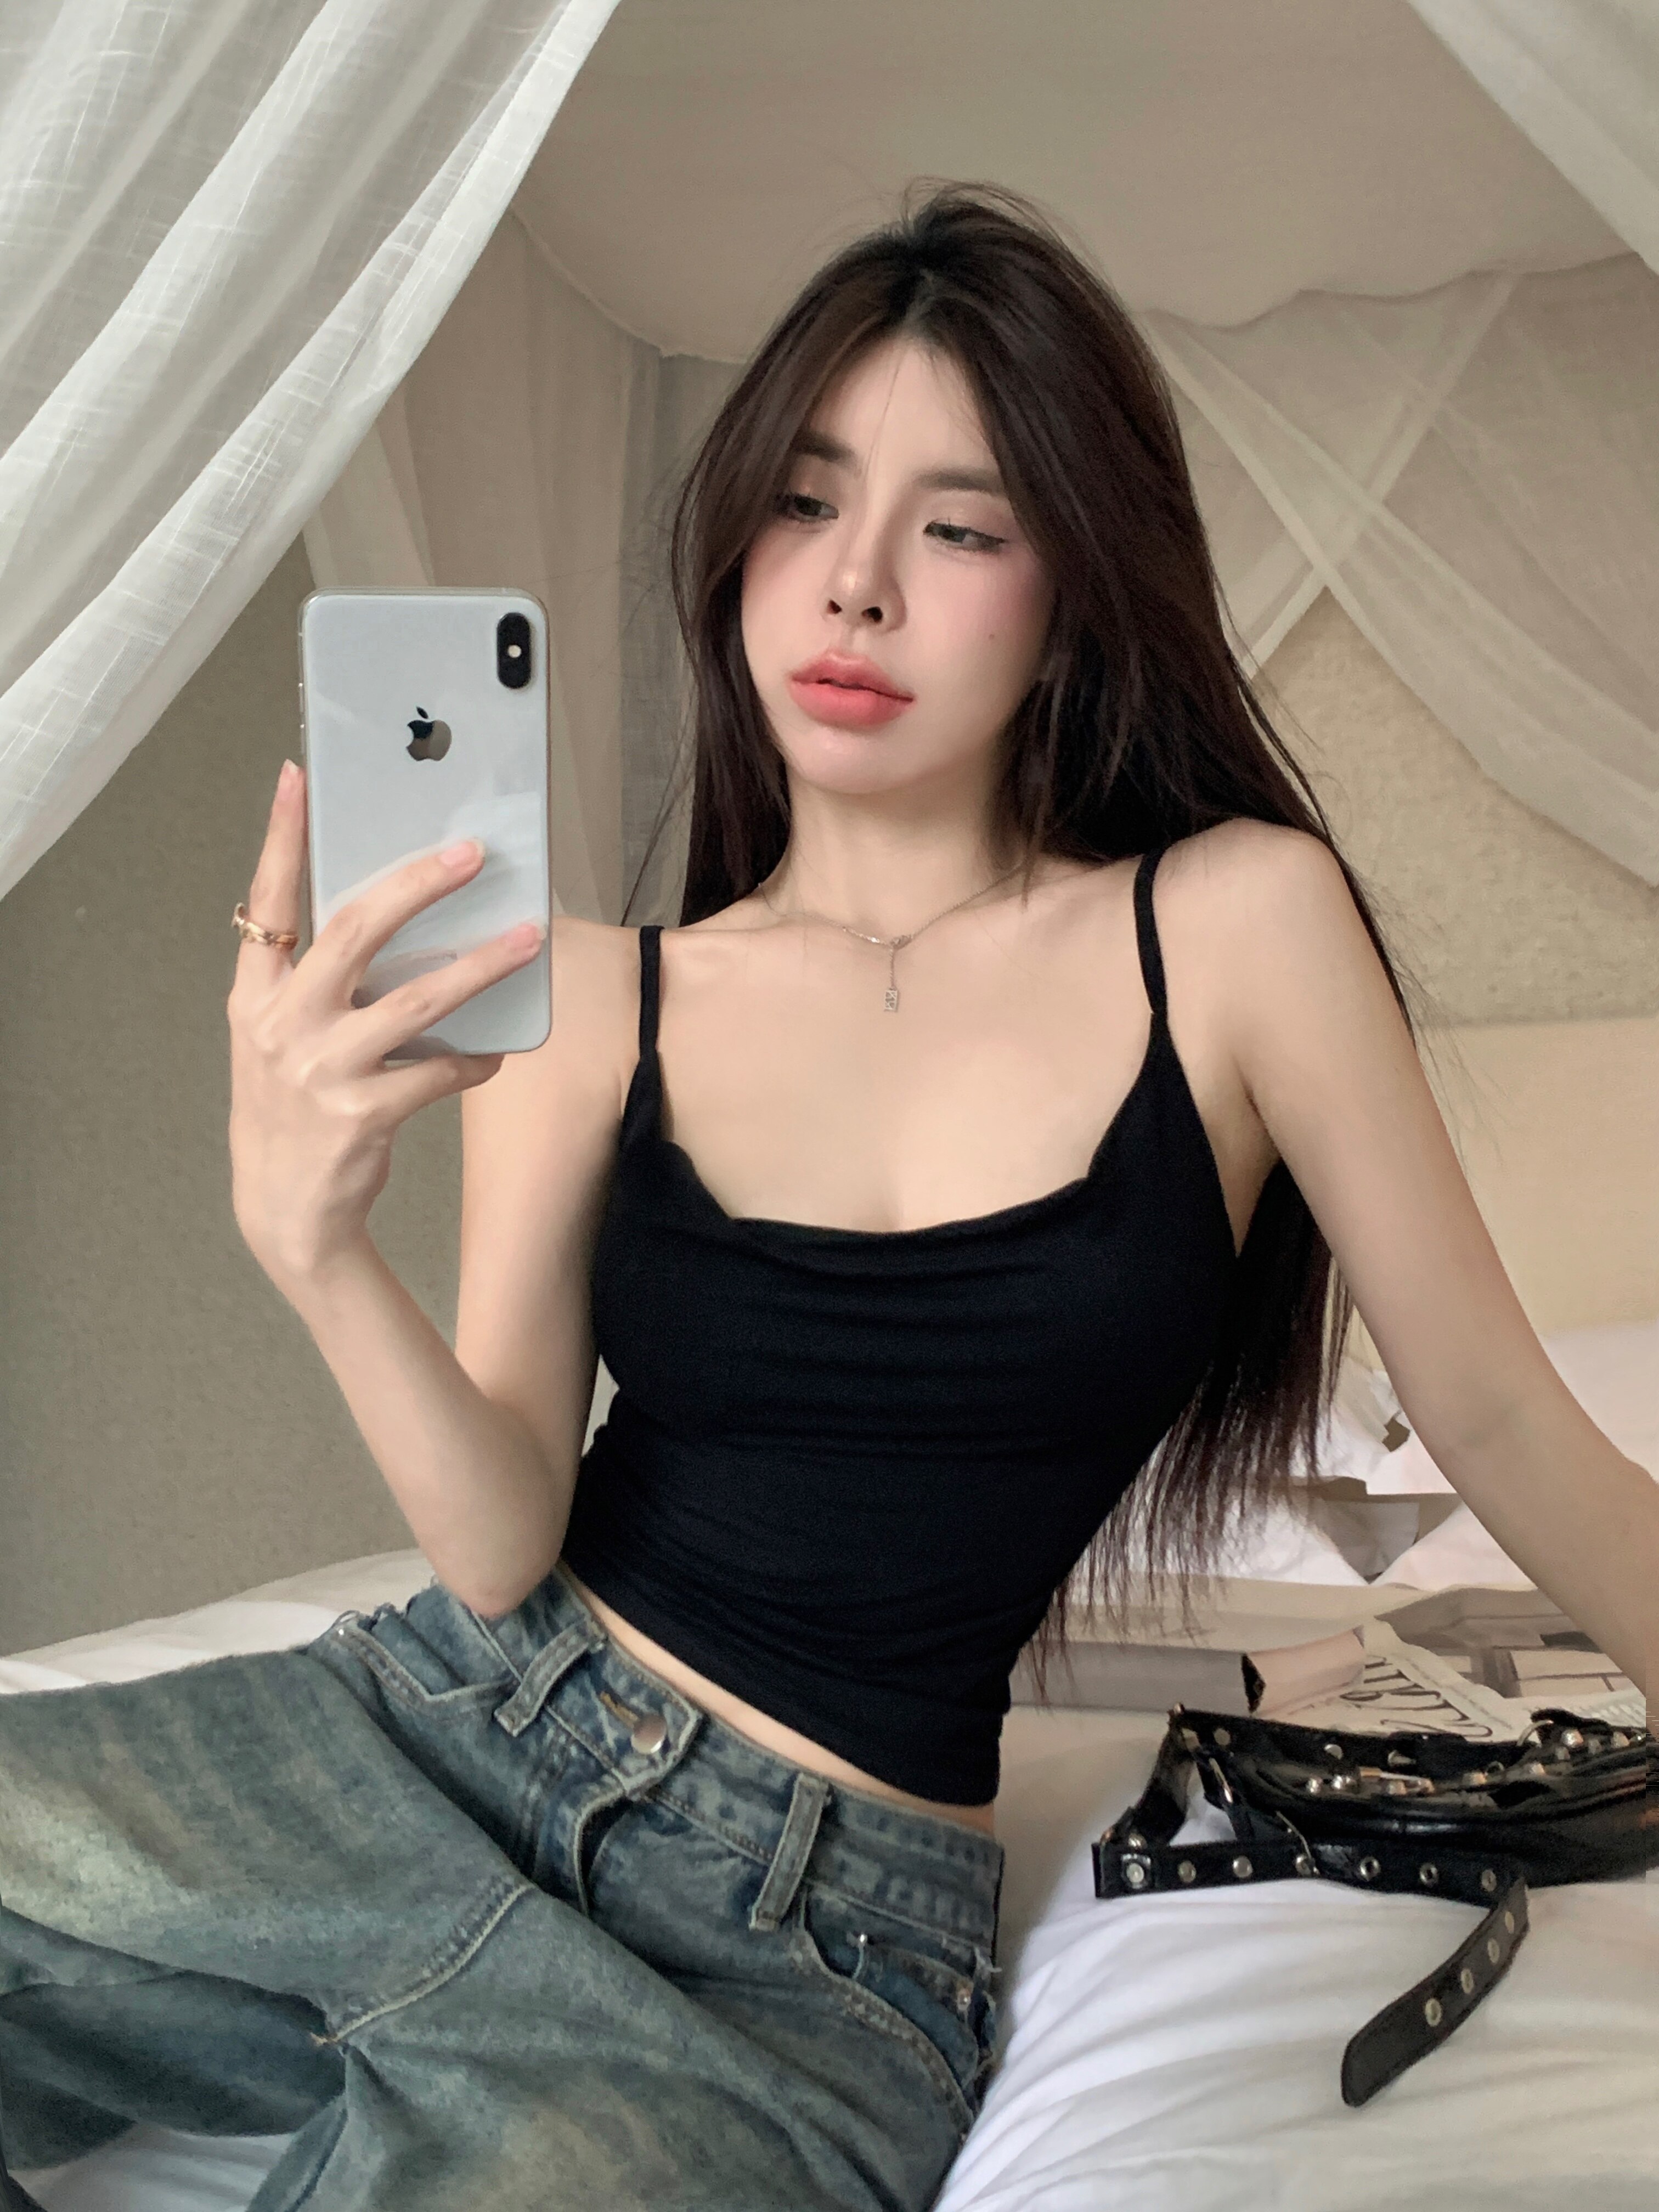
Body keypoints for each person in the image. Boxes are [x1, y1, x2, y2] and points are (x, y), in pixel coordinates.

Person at [2, 183, 1652, 2212]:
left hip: (805, 1951)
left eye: (959, 528)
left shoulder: (1233, 929)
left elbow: (1504, 1419)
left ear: (1071, 594)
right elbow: (502, 1536)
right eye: (804, 502)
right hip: (430, 1734)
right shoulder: (593, 991)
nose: (855, 585)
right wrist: (313, 1245)